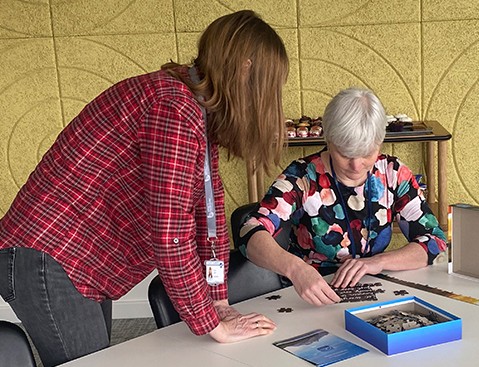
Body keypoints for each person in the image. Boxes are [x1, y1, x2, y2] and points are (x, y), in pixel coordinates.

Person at [0, 10, 288, 367]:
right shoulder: (174, 108)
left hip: (77, 260)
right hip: (51, 253)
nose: (271, 98)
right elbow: (171, 235)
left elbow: (207, 223)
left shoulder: (197, 114)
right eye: (269, 84)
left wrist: (218, 301)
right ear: (245, 69)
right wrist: (210, 323)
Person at [238, 87, 447, 307]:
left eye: (367, 154)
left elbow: (435, 240)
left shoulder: (393, 174)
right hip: (310, 295)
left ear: (380, 142)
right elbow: (248, 231)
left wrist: (377, 262)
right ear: (329, 140)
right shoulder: (303, 176)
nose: (356, 166)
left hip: (374, 292)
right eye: (345, 154)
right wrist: (295, 269)